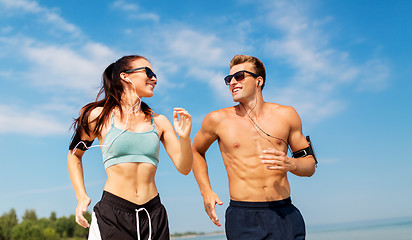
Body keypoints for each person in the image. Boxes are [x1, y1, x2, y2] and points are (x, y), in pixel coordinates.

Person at [67, 55, 192, 240]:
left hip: (153, 214)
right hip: (113, 214)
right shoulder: (98, 117)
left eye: (155, 74)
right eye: (148, 72)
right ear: (126, 76)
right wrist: (81, 197)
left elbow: (184, 168)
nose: (154, 78)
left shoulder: (160, 122)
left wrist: (185, 138)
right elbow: (74, 155)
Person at [192, 55, 317, 240]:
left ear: (259, 81)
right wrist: (206, 191)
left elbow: (310, 166)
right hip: (243, 216)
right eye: (229, 79)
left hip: (285, 213)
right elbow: (195, 151)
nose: (232, 82)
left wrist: (292, 164)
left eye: (240, 76)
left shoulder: (287, 115)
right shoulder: (217, 119)